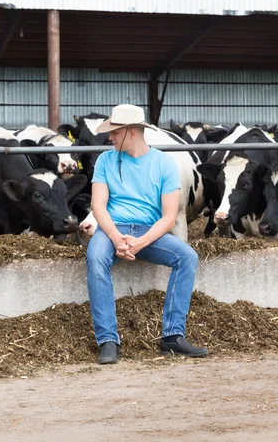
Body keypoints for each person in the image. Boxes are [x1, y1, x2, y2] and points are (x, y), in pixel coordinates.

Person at [86, 104, 208, 365]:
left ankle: (172, 337)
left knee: (187, 257)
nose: (110, 137)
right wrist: (117, 238)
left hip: (148, 232)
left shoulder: (165, 163)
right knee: (96, 257)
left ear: (131, 132)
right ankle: (108, 340)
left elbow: (169, 216)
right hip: (111, 229)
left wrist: (140, 242)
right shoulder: (105, 160)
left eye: (115, 132)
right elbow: (98, 206)